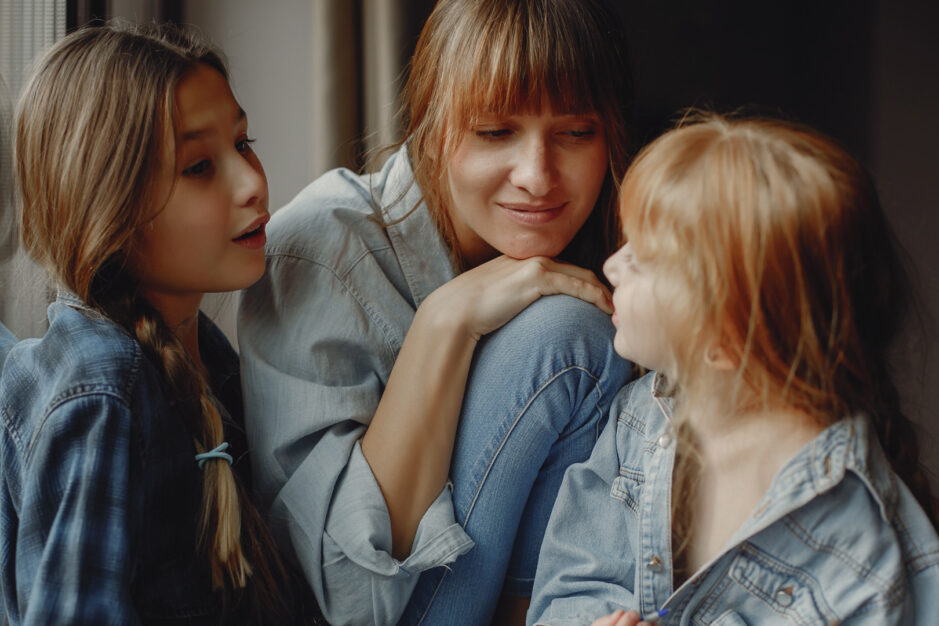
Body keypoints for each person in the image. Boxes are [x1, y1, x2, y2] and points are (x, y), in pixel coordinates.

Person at [237, 0, 633, 623]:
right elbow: (346, 602)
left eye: (576, 132)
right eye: (495, 132)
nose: (537, 176)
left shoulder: (625, 250)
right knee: (568, 336)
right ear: (431, 125)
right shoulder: (321, 250)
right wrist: (447, 320)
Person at [528, 113, 939, 626]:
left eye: (643, 260)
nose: (611, 265)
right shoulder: (640, 417)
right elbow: (568, 586)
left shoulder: (859, 563)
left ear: (726, 339)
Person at [0, 23, 321, 625]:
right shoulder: (103, 391)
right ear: (109, 207)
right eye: (199, 166)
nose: (254, 183)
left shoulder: (208, 356)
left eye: (244, 142)